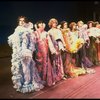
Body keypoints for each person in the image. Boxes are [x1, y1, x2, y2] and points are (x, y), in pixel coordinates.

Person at [8, 16, 44, 93]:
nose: (21, 22)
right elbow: (14, 43)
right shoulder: (16, 30)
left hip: (25, 53)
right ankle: (20, 84)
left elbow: (31, 43)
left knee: (26, 68)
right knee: (18, 69)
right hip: (17, 53)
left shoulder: (27, 30)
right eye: (20, 21)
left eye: (23, 21)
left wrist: (28, 51)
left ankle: (27, 83)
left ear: (26, 22)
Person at [33, 21, 56, 86]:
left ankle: (45, 79)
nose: (41, 24)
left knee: (46, 64)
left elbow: (50, 42)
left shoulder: (46, 33)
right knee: (38, 65)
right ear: (37, 25)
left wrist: (52, 50)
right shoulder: (35, 33)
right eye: (39, 23)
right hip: (38, 52)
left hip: (45, 51)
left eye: (42, 23)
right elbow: (33, 42)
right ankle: (39, 79)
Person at [48, 18, 66, 83]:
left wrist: (64, 45)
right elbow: (49, 41)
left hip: (59, 46)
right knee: (54, 61)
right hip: (53, 47)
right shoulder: (49, 32)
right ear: (51, 24)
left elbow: (62, 38)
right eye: (53, 23)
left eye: (55, 23)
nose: (54, 24)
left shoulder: (58, 31)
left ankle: (61, 75)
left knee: (59, 60)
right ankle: (54, 76)